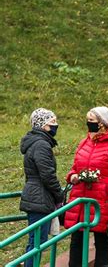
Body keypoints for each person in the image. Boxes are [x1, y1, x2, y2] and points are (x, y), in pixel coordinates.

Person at [64, 107, 108, 267]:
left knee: (101, 240)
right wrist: (72, 176)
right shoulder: (84, 142)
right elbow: (75, 167)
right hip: (80, 198)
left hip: (102, 201)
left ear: (102, 123)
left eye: (91, 120)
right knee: (76, 240)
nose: (88, 123)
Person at [20, 108, 64, 267]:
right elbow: (47, 175)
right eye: (52, 122)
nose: (56, 125)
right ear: (42, 125)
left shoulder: (36, 143)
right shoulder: (41, 145)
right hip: (39, 198)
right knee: (37, 243)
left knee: (36, 242)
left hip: (35, 195)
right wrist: (60, 195)